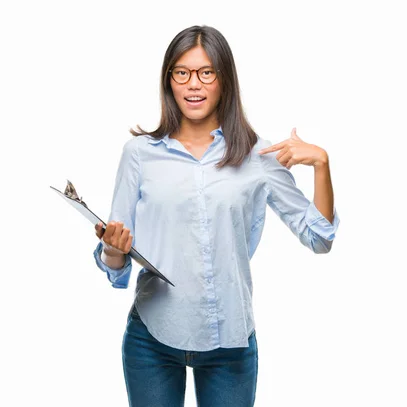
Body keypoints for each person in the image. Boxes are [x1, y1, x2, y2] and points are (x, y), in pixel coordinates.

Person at [92, 25, 339, 407]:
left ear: (225, 80)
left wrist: (321, 165)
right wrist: (113, 249)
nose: (194, 84)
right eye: (182, 72)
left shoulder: (258, 155)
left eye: (207, 72)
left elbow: (319, 238)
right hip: (152, 338)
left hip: (230, 340)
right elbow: (116, 260)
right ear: (169, 81)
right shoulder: (139, 153)